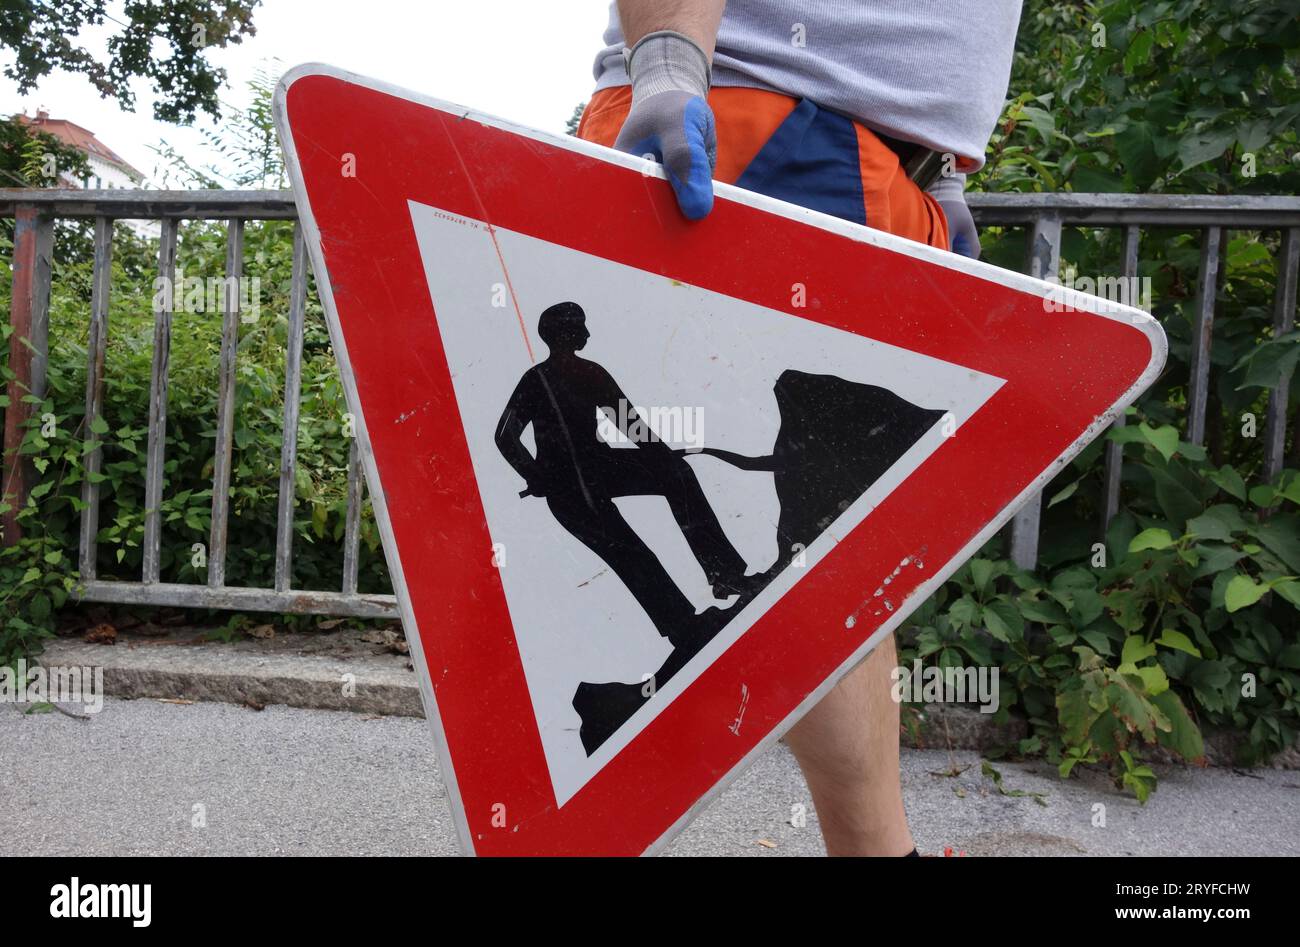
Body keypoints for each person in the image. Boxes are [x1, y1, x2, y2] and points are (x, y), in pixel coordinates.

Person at [575, 0, 1023, 856]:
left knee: (834, 568)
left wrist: (943, 171)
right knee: (813, 572)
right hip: (770, 130)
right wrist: (669, 58)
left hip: (874, 164)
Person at [494, 301, 748, 652]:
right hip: (566, 484)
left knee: (678, 473)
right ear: (565, 334)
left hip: (599, 465)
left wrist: (661, 457)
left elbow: (631, 426)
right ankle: (683, 628)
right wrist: (536, 475)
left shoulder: (591, 372)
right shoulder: (536, 380)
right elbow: (505, 437)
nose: (586, 334)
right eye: (580, 327)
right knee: (628, 550)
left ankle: (725, 574)